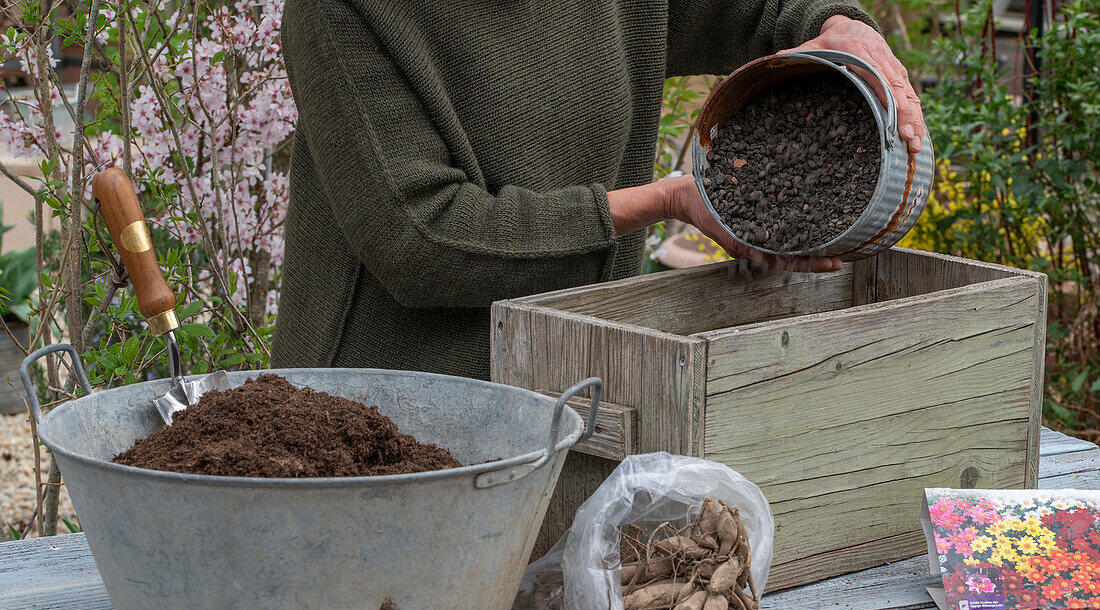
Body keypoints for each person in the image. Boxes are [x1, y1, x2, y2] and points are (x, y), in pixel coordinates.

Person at [272, 1, 925, 380]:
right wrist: (668, 200)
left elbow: (751, 12)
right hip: (385, 415)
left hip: (572, 372)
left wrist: (835, 21)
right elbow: (422, 240)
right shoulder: (343, 12)